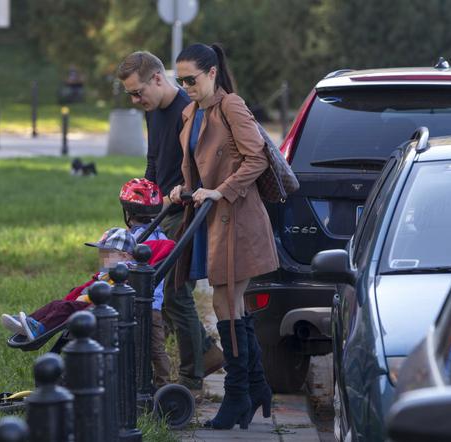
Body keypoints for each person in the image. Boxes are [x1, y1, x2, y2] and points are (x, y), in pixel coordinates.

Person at [169, 43, 278, 430]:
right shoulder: (191, 111)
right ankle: (255, 388)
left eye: (191, 79)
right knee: (233, 308)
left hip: (238, 220)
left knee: (225, 304)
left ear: (212, 73)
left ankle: (237, 397)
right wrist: (183, 189)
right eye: (179, 80)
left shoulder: (231, 105)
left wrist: (221, 190)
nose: (185, 86)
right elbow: (197, 166)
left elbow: (257, 158)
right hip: (210, 220)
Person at [117, 51, 224, 396]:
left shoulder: (186, 110)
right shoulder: (154, 112)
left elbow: (201, 164)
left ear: (158, 79)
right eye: (130, 95)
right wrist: (142, 204)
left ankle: (192, 380)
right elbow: (154, 159)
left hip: (184, 209)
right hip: (159, 210)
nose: (136, 100)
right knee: (157, 288)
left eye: (138, 92)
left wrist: (182, 196)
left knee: (175, 291)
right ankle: (206, 351)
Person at [1, 178, 175, 387]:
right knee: (58, 304)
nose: (103, 260)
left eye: (107, 255)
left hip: (134, 307)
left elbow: (144, 265)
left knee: (155, 350)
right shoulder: (127, 252)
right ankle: (29, 323)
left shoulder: (131, 263)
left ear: (125, 256)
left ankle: (162, 385)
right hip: (98, 300)